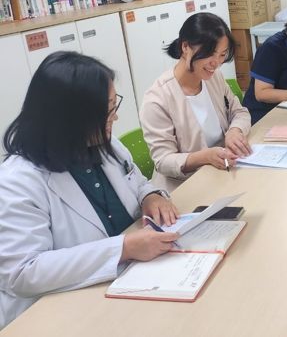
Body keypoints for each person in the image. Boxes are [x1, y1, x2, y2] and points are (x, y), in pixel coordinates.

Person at [0, 52, 180, 329]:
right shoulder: (18, 182)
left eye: (114, 105)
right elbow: (22, 273)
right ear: (70, 118)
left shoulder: (105, 145)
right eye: (107, 110)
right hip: (64, 314)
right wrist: (123, 248)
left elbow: (138, 181)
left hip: (134, 282)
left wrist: (150, 195)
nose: (115, 116)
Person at [141, 12, 252, 192]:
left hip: (222, 174)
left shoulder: (214, 78)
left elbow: (239, 112)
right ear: (185, 47)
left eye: (222, 55)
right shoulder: (158, 98)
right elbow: (163, 161)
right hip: (185, 188)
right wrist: (205, 157)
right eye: (210, 54)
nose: (216, 63)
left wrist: (234, 131)